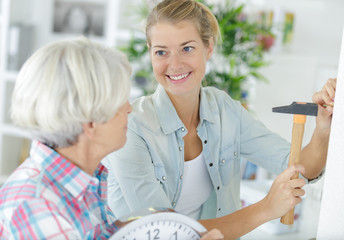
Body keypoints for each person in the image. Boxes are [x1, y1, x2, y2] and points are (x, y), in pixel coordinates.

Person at [104, 0, 335, 239]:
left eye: (187, 48)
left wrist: (324, 127)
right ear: (150, 53)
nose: (174, 64)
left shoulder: (225, 111)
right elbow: (164, 232)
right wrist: (265, 209)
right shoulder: (132, 128)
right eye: (161, 52)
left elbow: (300, 168)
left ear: (209, 48)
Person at [0, 37, 223, 240]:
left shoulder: (82, 180)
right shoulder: (36, 208)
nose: (130, 109)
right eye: (121, 101)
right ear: (91, 123)